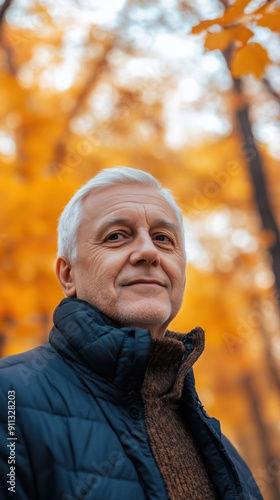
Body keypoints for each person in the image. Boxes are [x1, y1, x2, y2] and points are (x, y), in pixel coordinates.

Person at [0, 166, 262, 500]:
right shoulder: (7, 399)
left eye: (163, 239)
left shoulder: (222, 451)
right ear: (68, 275)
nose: (148, 252)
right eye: (116, 236)